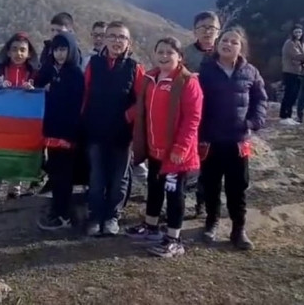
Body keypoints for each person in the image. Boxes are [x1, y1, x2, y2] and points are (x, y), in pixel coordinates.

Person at [128, 37, 203, 257]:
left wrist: (181, 147)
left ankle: (174, 239)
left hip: (176, 153)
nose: (163, 56)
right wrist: (124, 117)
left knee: (174, 193)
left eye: (169, 52)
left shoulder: (187, 81)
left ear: (179, 57)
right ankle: (151, 226)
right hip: (155, 148)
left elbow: (193, 118)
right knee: (154, 187)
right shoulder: (150, 78)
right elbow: (142, 108)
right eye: (160, 52)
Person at [198, 27, 267, 251]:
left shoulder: (251, 72)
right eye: (224, 40)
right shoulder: (206, 70)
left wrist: (252, 123)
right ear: (218, 44)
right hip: (211, 139)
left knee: (237, 186)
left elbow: (260, 101)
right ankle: (211, 222)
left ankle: (239, 229)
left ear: (241, 47)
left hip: (238, 140)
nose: (227, 44)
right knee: (211, 184)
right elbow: (196, 102)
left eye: (233, 42)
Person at [82, 21, 144, 237]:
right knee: (96, 177)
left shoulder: (134, 68)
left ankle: (112, 217)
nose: (117, 41)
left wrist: (128, 116)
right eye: (113, 36)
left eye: (122, 37)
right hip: (96, 130)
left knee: (120, 178)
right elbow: (85, 94)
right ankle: (95, 216)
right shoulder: (94, 64)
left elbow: (141, 100)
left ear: (129, 42)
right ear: (104, 39)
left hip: (122, 134)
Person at [34, 32, 85, 231]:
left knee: (64, 177)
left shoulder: (75, 74)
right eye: (56, 49)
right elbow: (38, 84)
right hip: (52, 133)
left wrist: (52, 89)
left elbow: (74, 106)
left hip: (67, 134)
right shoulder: (52, 70)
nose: (59, 54)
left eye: (63, 49)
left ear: (71, 50)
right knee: (56, 174)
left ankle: (63, 216)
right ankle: (57, 211)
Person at [0, 32, 39, 204]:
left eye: (22, 50)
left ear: (29, 53)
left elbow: (41, 96)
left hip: (22, 125)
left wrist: (33, 91)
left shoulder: (34, 73)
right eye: (15, 49)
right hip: (0, 122)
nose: (18, 53)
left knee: (17, 156)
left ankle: (13, 190)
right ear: (8, 52)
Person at [182, 10, 220, 218]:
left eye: (212, 28)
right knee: (187, 161)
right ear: (194, 31)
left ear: (218, 31)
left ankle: (203, 203)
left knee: (210, 164)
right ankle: (178, 202)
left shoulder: (224, 52)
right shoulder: (186, 54)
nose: (207, 32)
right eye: (203, 27)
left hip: (217, 117)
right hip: (191, 116)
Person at [279, 25, 304, 125]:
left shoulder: (301, 43)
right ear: (292, 33)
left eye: (300, 32)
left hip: (298, 72)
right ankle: (284, 115)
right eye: (296, 32)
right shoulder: (290, 43)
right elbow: (297, 56)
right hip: (290, 72)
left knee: (294, 94)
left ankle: (289, 114)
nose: (298, 34)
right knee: (289, 94)